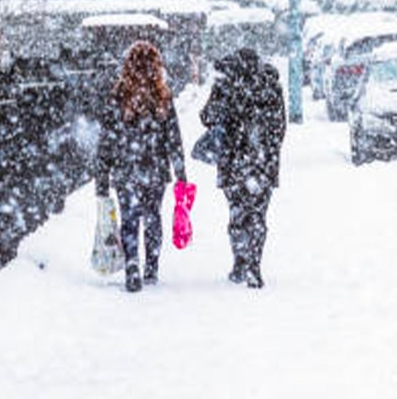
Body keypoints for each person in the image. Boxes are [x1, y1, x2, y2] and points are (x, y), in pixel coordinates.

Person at [96, 41, 188, 292]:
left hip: (126, 169)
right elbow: (174, 139)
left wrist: (102, 178)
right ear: (157, 67)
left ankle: (132, 263)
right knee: (152, 217)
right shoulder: (163, 97)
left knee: (129, 219)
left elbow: (107, 140)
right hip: (155, 169)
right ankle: (151, 267)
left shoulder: (118, 97)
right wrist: (181, 175)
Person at [200, 48, 286, 289]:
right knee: (258, 214)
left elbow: (207, 117)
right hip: (263, 162)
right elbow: (280, 128)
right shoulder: (271, 86)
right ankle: (254, 265)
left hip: (233, 160)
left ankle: (240, 262)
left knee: (237, 213)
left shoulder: (226, 86)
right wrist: (268, 153)